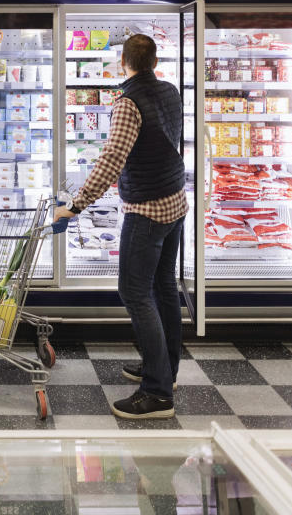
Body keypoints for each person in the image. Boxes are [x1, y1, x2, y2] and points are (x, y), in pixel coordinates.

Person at [54, 34, 187, 420]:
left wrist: (76, 206)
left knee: (133, 292)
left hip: (146, 209)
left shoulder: (127, 103)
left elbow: (113, 158)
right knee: (163, 288)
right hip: (175, 200)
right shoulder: (170, 91)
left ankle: (158, 394)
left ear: (122, 62)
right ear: (155, 61)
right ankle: (165, 370)